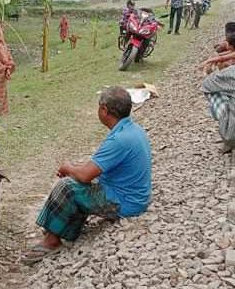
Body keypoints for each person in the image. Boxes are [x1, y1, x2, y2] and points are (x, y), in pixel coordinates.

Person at [22, 86, 152, 264]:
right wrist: (76, 169)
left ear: (104, 110)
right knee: (80, 184)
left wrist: (68, 167)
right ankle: (66, 229)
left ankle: (52, 241)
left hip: (125, 203)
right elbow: (92, 169)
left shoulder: (119, 140)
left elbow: (84, 176)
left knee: (67, 186)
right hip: (135, 196)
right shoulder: (133, 130)